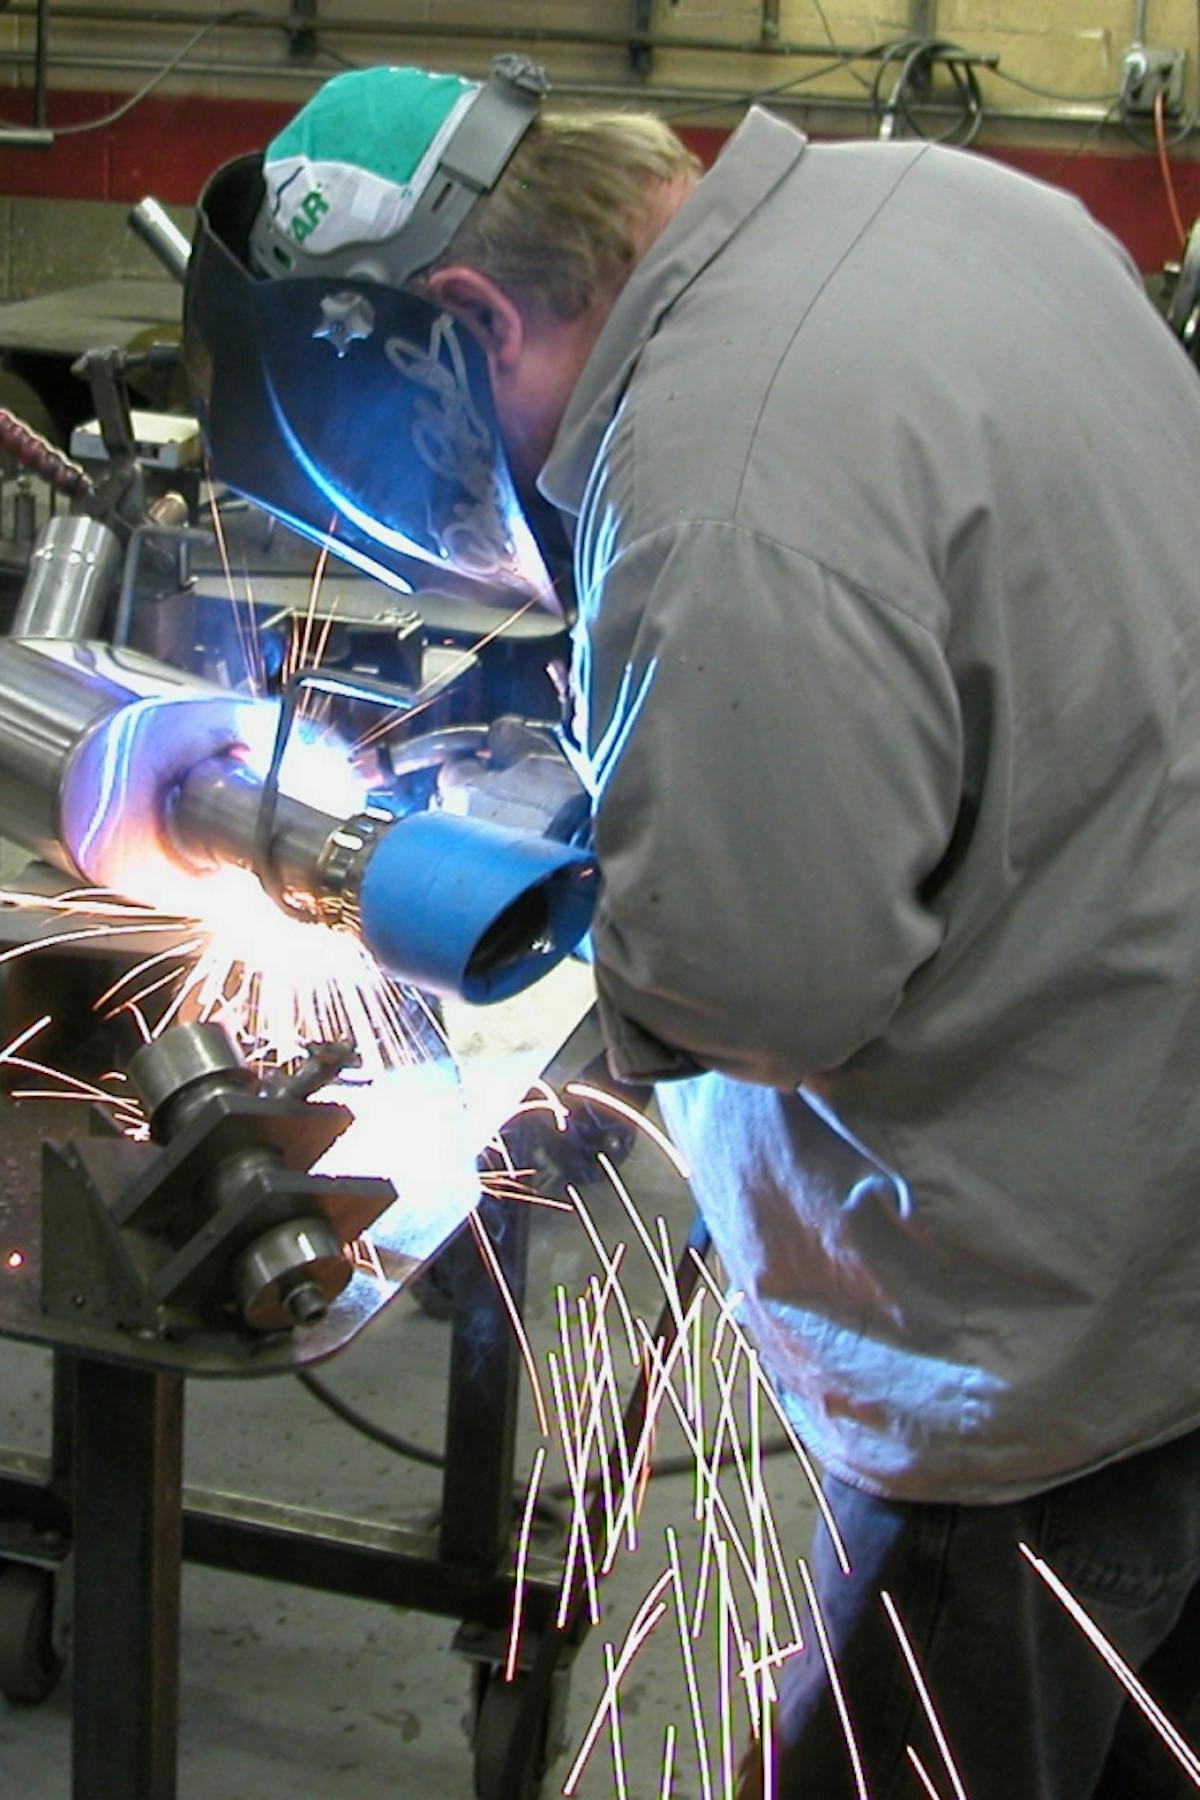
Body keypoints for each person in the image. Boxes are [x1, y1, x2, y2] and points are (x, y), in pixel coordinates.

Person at [186, 57, 1200, 1798]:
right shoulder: (955, 209)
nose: (451, 539)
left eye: (422, 492)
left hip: (1039, 1351)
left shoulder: (719, 477)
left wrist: (415, 887)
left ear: (473, 319)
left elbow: (757, 984)